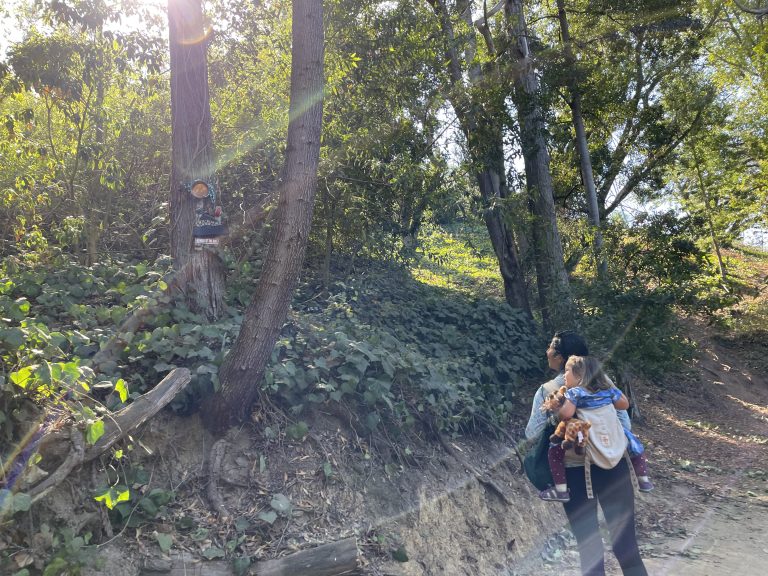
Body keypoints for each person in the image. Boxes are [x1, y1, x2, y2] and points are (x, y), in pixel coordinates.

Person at [526, 331, 648, 576]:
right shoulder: (603, 382)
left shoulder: (548, 389)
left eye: (550, 348)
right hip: (614, 465)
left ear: (560, 358)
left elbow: (531, 433)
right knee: (626, 543)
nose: (547, 352)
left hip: (574, 472)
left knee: (589, 546)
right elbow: (625, 424)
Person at [539, 355, 653, 503]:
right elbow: (624, 404)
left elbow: (566, 415)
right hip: (612, 436)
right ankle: (643, 479)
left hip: (588, 438)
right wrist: (609, 390)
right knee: (633, 442)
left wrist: (559, 406)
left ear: (580, 375)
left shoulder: (575, 392)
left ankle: (561, 490)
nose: (564, 374)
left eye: (567, 370)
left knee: (554, 449)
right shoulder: (608, 391)